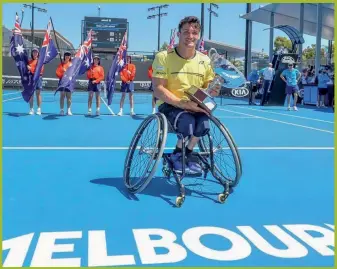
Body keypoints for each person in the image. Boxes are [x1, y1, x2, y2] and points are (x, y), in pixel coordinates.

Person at [152, 16, 221, 175]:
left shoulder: (205, 60)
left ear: (198, 36)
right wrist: (183, 104)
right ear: (179, 34)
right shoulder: (163, 57)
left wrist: (214, 89)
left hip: (196, 106)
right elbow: (158, 88)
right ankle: (178, 155)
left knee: (204, 124)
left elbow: (209, 89)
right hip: (170, 106)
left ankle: (186, 153)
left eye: (194, 32)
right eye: (186, 32)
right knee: (187, 122)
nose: (190, 36)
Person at [27, 48, 44, 115]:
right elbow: (27, 71)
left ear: (38, 54)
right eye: (33, 52)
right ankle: (31, 109)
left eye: (36, 52)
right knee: (31, 94)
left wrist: (31, 69)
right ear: (32, 53)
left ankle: (39, 109)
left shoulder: (40, 61)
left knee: (38, 94)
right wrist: (28, 69)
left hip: (38, 78)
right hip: (31, 79)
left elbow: (40, 70)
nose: (35, 53)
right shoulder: (29, 62)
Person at [56, 51, 73, 115]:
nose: (67, 56)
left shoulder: (72, 64)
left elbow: (73, 74)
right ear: (64, 56)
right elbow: (57, 73)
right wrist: (62, 73)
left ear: (70, 57)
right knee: (62, 96)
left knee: (69, 97)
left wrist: (67, 73)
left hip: (69, 82)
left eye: (68, 55)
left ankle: (68, 110)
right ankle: (62, 110)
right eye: (66, 55)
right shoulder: (61, 65)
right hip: (62, 82)